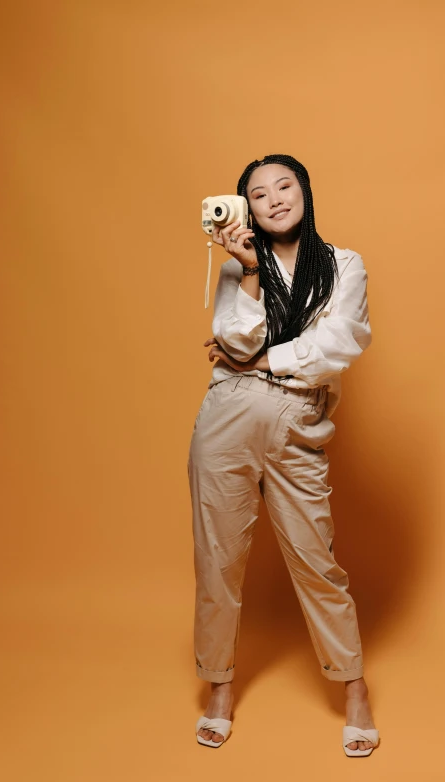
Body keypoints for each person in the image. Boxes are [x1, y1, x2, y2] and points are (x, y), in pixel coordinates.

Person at [187, 154, 380, 757]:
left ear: (304, 191)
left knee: (316, 563)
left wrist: (267, 359)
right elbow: (234, 338)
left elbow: (340, 340)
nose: (273, 199)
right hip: (228, 416)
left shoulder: (344, 265)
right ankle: (218, 685)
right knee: (217, 559)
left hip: (300, 420)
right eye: (258, 192)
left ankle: (353, 689)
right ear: (245, 205)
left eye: (284, 185)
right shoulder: (235, 266)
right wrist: (245, 272)